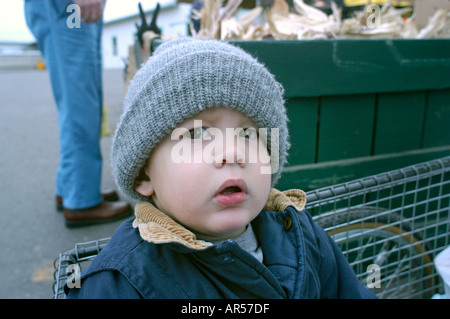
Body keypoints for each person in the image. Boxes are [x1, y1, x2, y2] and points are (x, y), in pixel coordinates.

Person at [65, 38, 376, 298]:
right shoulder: (121, 284)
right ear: (145, 175)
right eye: (197, 133)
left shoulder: (301, 233)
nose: (232, 153)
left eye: (248, 134)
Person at [24, 0, 132, 227]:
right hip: (68, 7)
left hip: (66, 9)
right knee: (79, 101)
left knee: (83, 98)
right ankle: (81, 201)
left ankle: (72, 188)